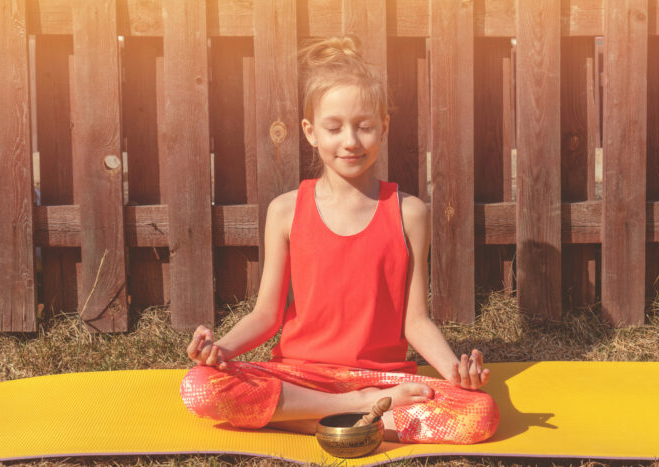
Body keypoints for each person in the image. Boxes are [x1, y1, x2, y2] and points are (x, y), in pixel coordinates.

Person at [179, 35, 499, 444]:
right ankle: (359, 413)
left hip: (383, 378)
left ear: (383, 128)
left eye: (364, 127)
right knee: (199, 384)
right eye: (334, 128)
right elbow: (266, 316)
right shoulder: (285, 210)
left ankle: (300, 418)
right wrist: (220, 350)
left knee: (479, 413)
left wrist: (454, 370)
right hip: (300, 375)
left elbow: (415, 321)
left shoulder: (410, 213)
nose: (350, 141)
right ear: (311, 132)